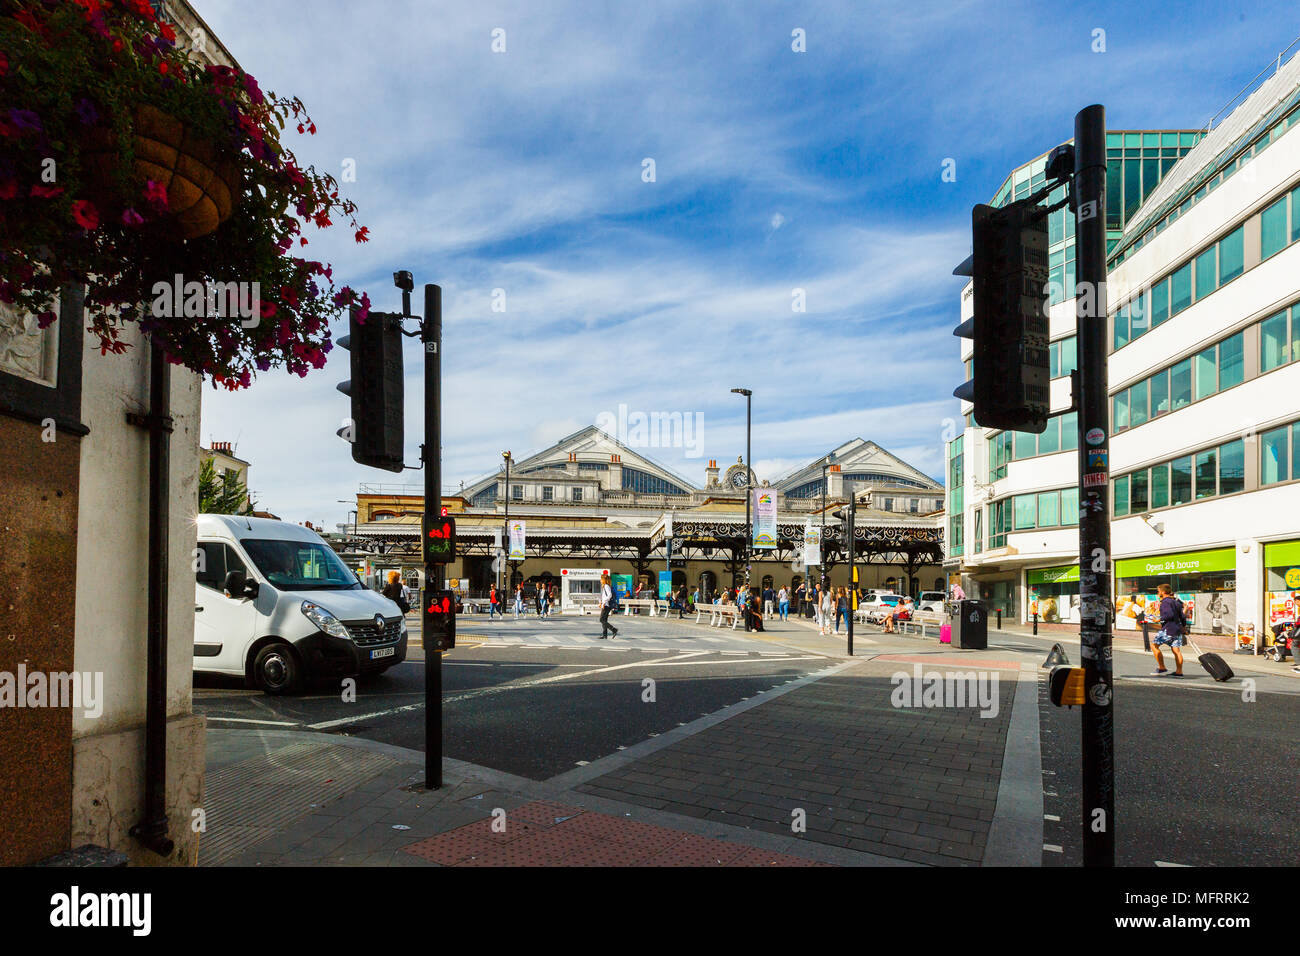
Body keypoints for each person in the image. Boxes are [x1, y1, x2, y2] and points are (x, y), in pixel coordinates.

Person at [1151, 583, 1186, 677]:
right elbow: (1182, 616)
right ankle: (1179, 671)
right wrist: (1184, 627)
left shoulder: (1165, 602)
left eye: (1158, 591)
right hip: (1177, 629)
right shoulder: (1176, 602)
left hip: (1168, 629)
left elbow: (1169, 615)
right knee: (1176, 650)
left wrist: (1159, 619)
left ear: (1162, 592)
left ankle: (1162, 667)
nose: (1158, 593)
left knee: (1154, 646)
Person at [599, 572, 619, 639]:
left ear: (604, 580)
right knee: (604, 620)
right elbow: (604, 596)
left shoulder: (606, 586)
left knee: (601, 619)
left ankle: (614, 630)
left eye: (601, 579)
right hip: (605, 604)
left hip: (606, 605)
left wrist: (604, 602)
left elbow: (609, 595)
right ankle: (605, 635)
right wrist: (601, 602)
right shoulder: (605, 586)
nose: (600, 580)